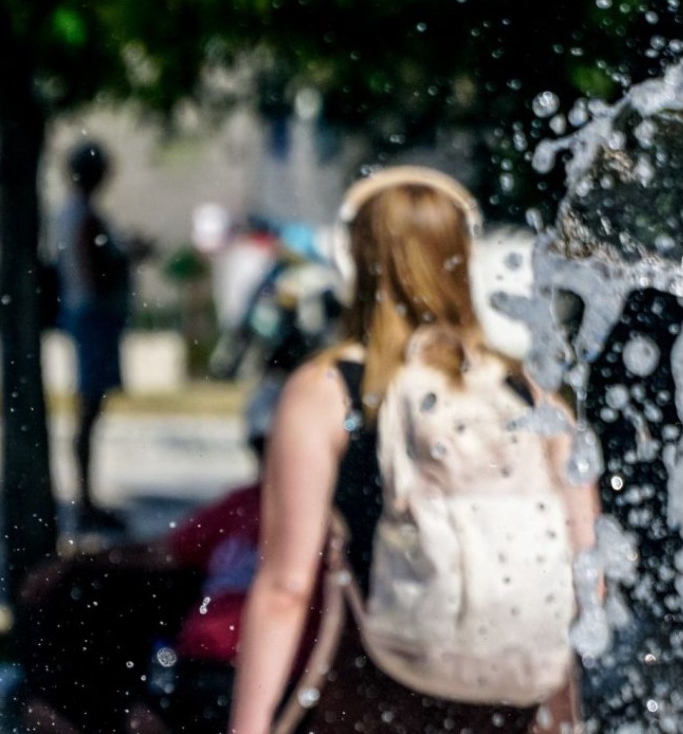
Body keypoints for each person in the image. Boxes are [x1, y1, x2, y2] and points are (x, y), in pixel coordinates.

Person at [228, 166, 599, 734]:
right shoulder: (532, 395)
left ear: (355, 260)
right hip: (512, 700)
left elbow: (286, 585)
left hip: (376, 691)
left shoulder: (327, 391)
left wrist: (249, 726)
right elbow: (588, 574)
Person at [53, 140, 146, 532]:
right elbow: (94, 269)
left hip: (88, 312)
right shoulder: (82, 217)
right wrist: (124, 259)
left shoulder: (74, 213)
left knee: (90, 409)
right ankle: (84, 501)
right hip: (93, 314)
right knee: (89, 408)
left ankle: (85, 499)